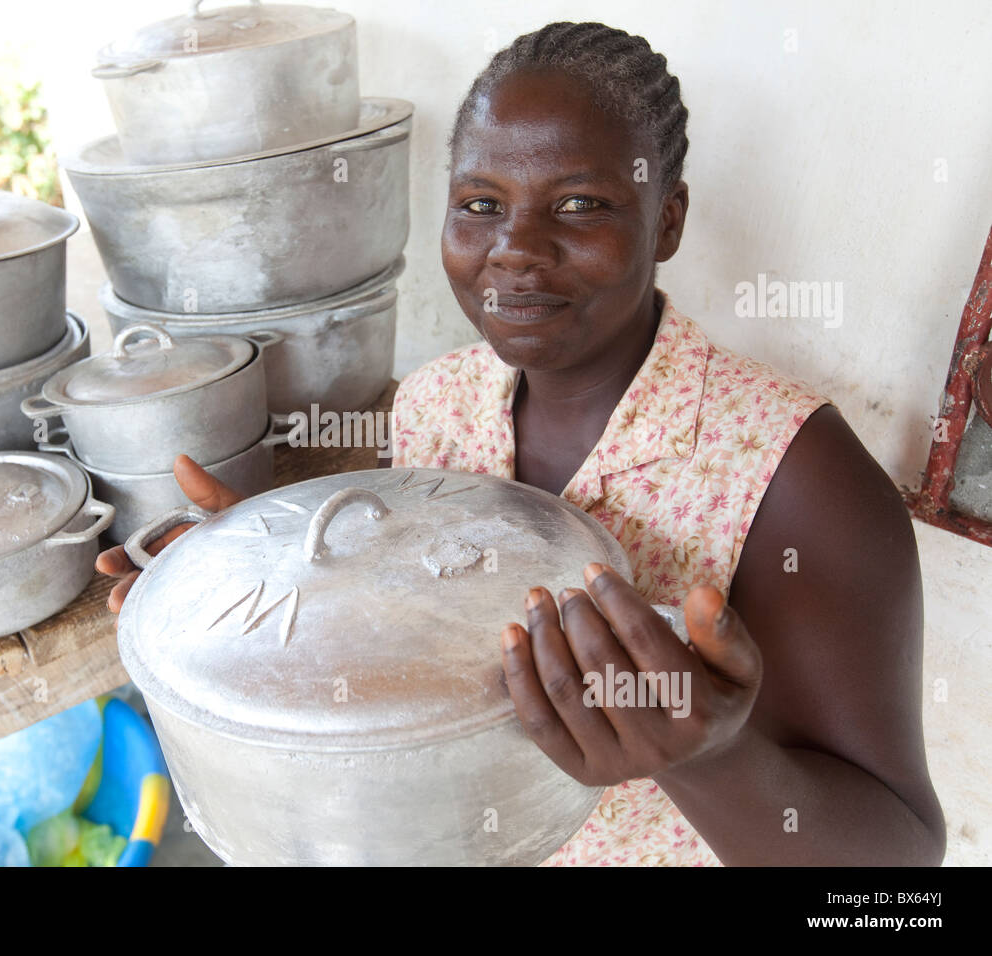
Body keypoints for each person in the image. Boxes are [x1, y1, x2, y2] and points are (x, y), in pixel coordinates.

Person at [94, 21, 945, 866]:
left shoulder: (793, 474)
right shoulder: (437, 406)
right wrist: (264, 571)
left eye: (579, 205)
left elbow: (898, 878)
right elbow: (413, 643)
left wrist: (713, 758)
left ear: (669, 220)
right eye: (480, 205)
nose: (514, 251)